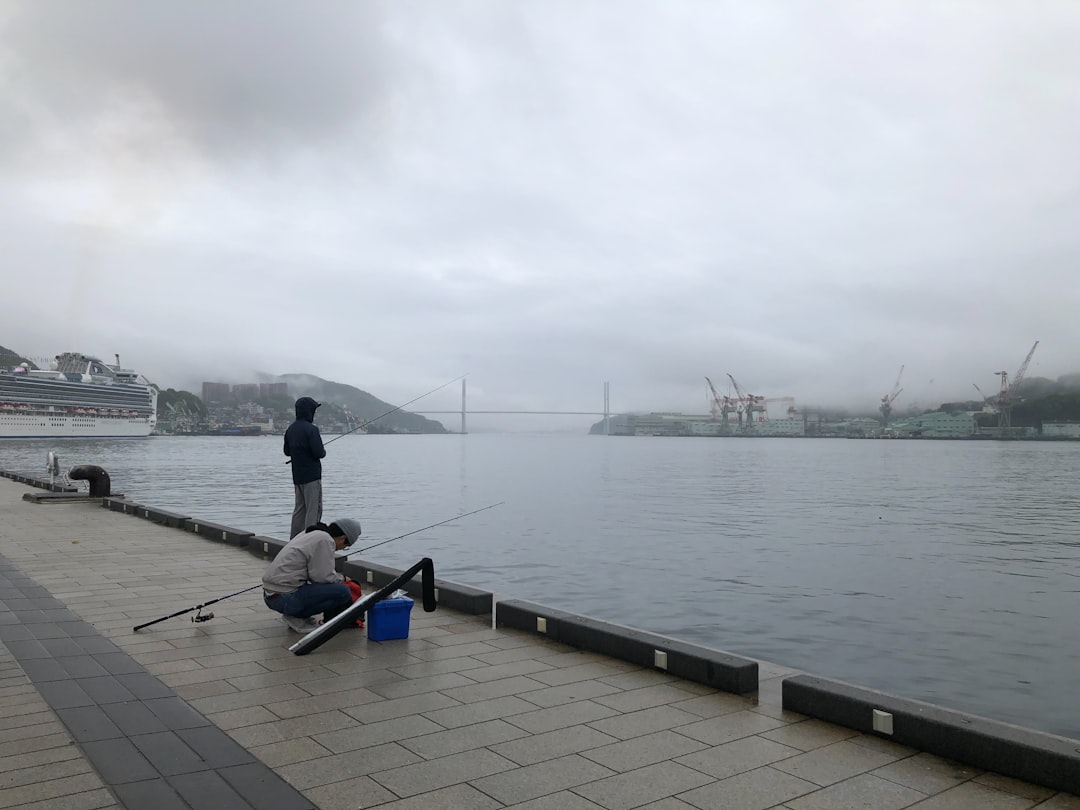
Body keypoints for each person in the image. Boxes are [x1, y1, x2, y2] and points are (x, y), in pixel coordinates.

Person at [262, 518, 362, 632]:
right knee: (343, 591)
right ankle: (295, 616)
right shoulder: (325, 540)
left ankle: (298, 614)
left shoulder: (311, 533)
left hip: (270, 595)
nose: (341, 549)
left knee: (333, 588)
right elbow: (322, 578)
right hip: (284, 597)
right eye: (346, 546)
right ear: (343, 537)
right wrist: (343, 578)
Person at [284, 396, 326, 539]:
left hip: (297, 477)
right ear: (310, 412)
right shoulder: (312, 430)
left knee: (299, 510)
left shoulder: (291, 429)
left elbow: (287, 452)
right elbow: (320, 453)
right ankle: (310, 542)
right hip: (312, 477)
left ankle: (294, 541)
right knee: (313, 510)